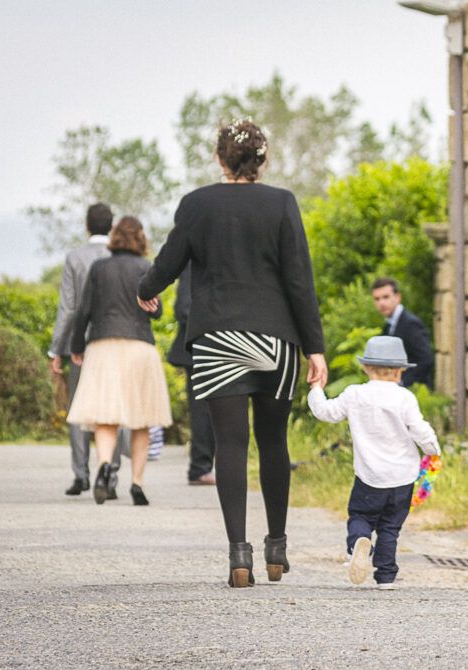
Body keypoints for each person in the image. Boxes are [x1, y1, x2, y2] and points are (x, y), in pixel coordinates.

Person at [137, 119, 327, 588]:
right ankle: (277, 549)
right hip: (276, 339)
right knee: (274, 443)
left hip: (219, 338)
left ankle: (239, 557)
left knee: (230, 445)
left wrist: (146, 291)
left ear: (221, 159)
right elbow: (299, 280)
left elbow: (167, 264)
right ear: (261, 160)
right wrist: (315, 349)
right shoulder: (282, 202)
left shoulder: (197, 204)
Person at [307, 336, 440, 589]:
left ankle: (358, 541)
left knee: (360, 516)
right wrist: (433, 450)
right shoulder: (405, 397)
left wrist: (315, 389)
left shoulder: (355, 394)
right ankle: (386, 577)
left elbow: (326, 412)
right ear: (400, 371)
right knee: (390, 527)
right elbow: (419, 429)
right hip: (403, 478)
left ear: (366, 367)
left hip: (370, 476)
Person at [66, 216, 173, 506]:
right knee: (142, 420)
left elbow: (82, 311)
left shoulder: (100, 269)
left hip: (104, 345)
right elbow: (157, 312)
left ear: (114, 237)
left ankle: (103, 466)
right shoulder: (146, 268)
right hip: (140, 346)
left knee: (105, 416)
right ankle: (137, 484)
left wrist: (77, 347)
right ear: (140, 238)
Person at [48, 202, 127, 498]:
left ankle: (80, 475)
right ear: (112, 226)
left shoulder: (75, 258)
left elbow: (68, 308)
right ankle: (111, 474)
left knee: (78, 408)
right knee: (113, 408)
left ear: (86, 226)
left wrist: (57, 349)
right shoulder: (120, 257)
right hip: (113, 342)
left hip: (80, 344)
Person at [167, 264, 216, 485]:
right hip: (199, 347)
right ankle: (200, 467)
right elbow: (183, 307)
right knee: (202, 410)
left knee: (214, 410)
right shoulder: (194, 262)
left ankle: (206, 465)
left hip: (222, 345)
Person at [371, 277, 434, 389]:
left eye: (386, 297)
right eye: (377, 299)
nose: (382, 303)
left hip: (415, 391)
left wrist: (401, 383)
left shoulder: (411, 323)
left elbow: (426, 360)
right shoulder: (388, 324)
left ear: (397, 297)